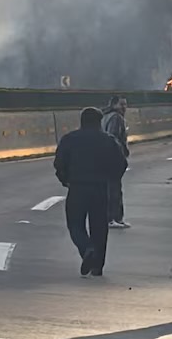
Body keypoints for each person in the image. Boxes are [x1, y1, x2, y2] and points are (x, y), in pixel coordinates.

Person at [54, 107, 128, 277]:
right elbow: (121, 163)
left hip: (77, 187)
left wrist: (65, 180)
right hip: (100, 189)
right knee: (100, 227)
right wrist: (111, 179)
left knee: (75, 224)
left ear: (82, 121)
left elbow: (59, 163)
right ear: (99, 122)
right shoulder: (108, 140)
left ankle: (87, 248)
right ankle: (97, 267)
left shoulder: (69, 139)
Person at [101, 95, 131, 229]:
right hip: (113, 159)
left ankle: (112, 218)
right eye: (121, 104)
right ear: (114, 105)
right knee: (114, 189)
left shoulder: (105, 116)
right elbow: (113, 137)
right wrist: (121, 154)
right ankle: (114, 218)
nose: (124, 108)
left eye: (125, 105)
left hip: (105, 158)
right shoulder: (116, 118)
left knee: (109, 188)